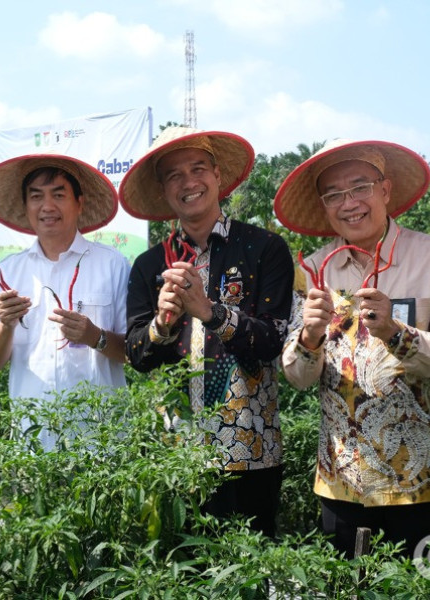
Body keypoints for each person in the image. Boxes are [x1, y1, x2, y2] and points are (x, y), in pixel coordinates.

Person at [273, 139, 430, 557]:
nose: (349, 203)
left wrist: (396, 333)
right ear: (324, 205)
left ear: (385, 190)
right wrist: (309, 338)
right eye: (334, 194)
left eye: (360, 187)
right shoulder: (310, 271)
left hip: (428, 479)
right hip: (344, 481)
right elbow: (296, 376)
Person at [120, 126, 294, 538]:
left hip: (250, 448)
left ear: (218, 176)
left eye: (197, 168)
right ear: (164, 191)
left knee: (252, 572)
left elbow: (273, 342)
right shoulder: (149, 265)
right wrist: (162, 325)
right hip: (174, 452)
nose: (188, 182)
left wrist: (209, 312)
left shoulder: (264, 248)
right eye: (174, 176)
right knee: (182, 568)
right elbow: (137, 357)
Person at [0, 154, 129, 450]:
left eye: (59, 194)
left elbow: (134, 353)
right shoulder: (8, 271)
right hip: (33, 441)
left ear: (79, 202)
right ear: (26, 206)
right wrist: (5, 325)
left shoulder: (112, 264)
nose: (47, 206)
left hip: (102, 439)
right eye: (36, 197)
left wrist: (95, 336)